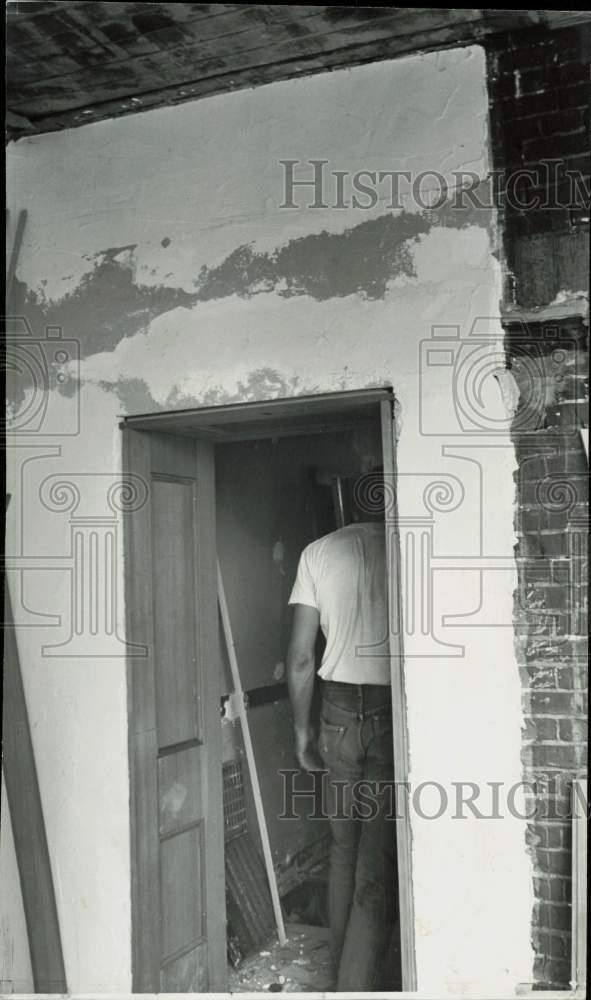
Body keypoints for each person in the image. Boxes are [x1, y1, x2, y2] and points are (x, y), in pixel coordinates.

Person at [286, 470, 398, 992]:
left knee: (341, 851)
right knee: (375, 862)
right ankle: (356, 986)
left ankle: (338, 977)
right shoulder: (405, 546)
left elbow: (302, 658)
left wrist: (303, 734)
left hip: (334, 713)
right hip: (388, 708)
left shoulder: (317, 553)